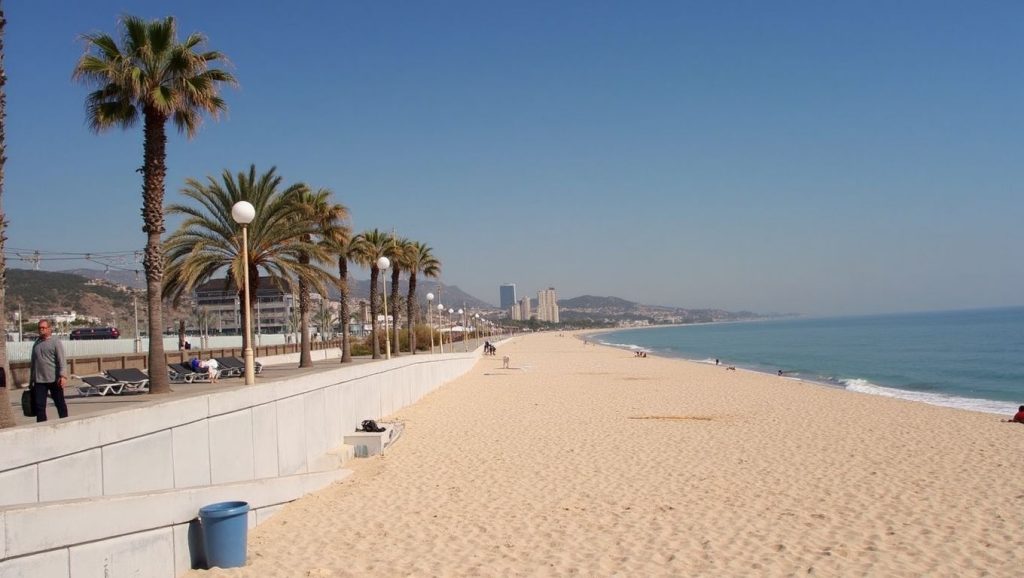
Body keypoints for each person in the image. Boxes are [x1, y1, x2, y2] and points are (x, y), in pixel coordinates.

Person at [30, 319, 69, 422]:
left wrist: (63, 376)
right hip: (39, 381)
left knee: (60, 404)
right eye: (39, 328)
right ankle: (42, 426)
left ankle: (65, 423)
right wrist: (31, 380)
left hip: (54, 379)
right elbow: (33, 363)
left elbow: (62, 360)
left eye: (43, 328)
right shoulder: (36, 344)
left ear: (49, 329)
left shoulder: (55, 342)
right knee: (39, 406)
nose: (41, 330)